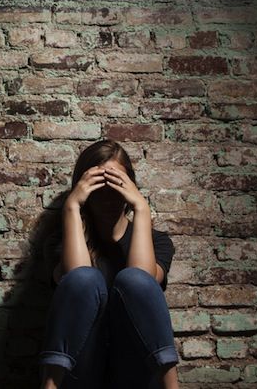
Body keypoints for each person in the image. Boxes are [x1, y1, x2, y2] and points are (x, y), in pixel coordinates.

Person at [37, 139, 179, 389]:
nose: (108, 195)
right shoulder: (60, 243)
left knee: (134, 279)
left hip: (135, 372)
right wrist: (71, 206)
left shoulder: (159, 242)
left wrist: (141, 208)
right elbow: (76, 277)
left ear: (130, 187)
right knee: (85, 278)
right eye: (98, 185)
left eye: (115, 183)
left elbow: (144, 278)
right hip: (81, 369)